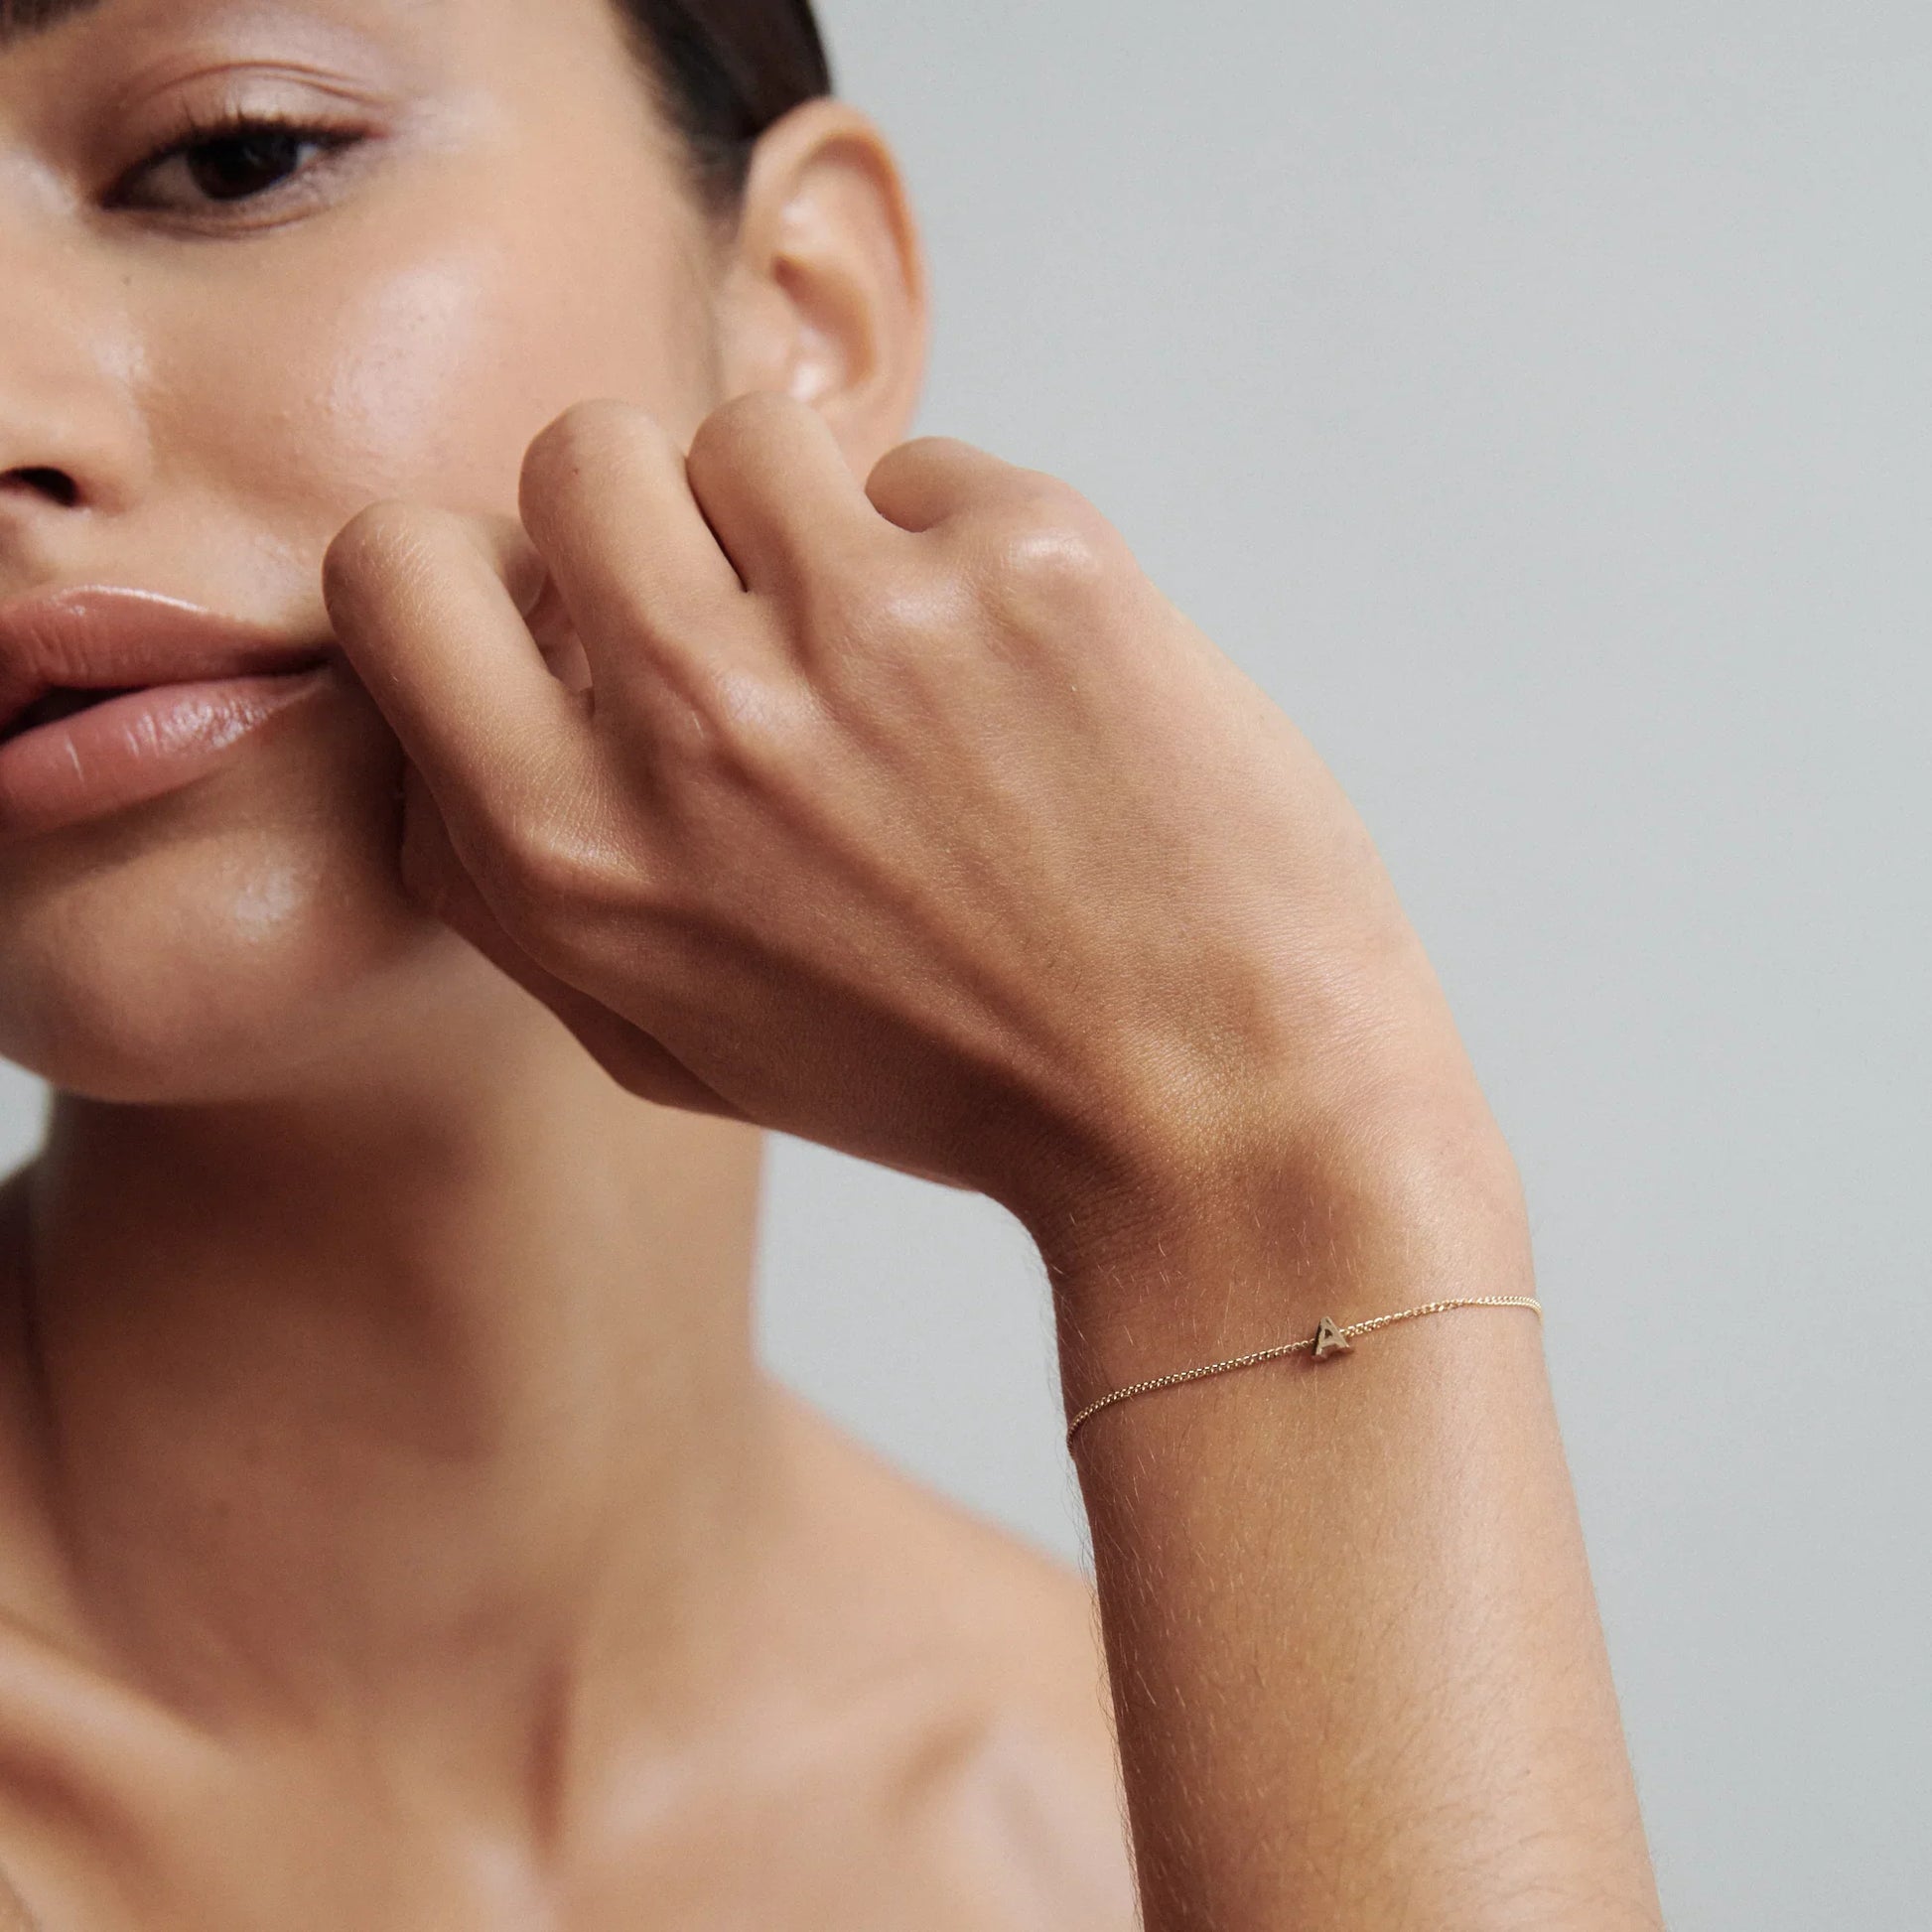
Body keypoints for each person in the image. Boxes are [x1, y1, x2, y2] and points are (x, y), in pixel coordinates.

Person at [0, 0, 1665, 1925]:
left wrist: (1276, 1174)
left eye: (234, 153)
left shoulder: (1141, 1816)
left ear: (803, 307)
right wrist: (1272, 1162)